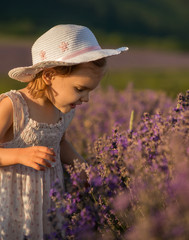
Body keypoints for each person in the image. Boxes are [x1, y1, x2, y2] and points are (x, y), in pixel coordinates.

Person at [0, 24, 128, 239]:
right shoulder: (13, 105)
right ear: (49, 76)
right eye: (80, 89)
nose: (85, 99)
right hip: (13, 201)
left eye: (89, 91)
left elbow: (60, 143)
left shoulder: (63, 110)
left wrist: (83, 167)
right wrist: (19, 155)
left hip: (49, 200)